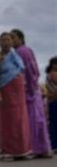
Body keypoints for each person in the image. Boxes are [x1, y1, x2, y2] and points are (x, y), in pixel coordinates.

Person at [11, 29, 53, 158]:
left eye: (13, 37)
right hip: (33, 90)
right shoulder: (27, 50)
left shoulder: (21, 52)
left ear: (21, 38)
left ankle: (34, 148)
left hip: (28, 92)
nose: (11, 40)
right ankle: (42, 149)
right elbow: (35, 71)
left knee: (32, 121)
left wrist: (26, 90)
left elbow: (28, 72)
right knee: (38, 120)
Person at [0, 32, 31, 162]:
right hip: (5, 92)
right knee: (7, 122)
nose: (6, 42)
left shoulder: (15, 55)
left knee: (20, 120)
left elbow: (21, 70)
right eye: (3, 40)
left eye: (8, 39)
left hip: (18, 94)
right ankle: (9, 152)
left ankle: (22, 151)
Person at [46, 57, 57, 152]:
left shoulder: (49, 74)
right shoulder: (52, 74)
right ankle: (54, 144)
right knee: (54, 123)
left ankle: (54, 144)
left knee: (53, 122)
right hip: (54, 100)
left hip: (52, 100)